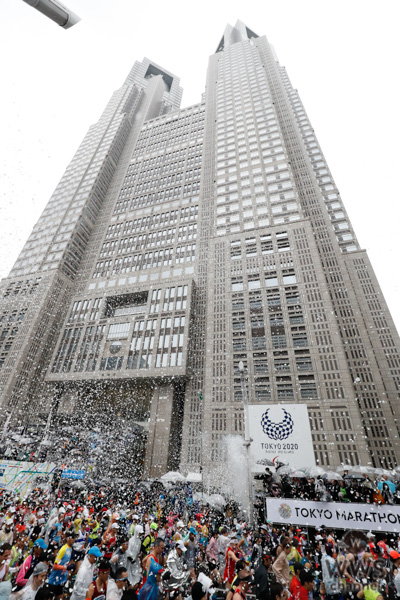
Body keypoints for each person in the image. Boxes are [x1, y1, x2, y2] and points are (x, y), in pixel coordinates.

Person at [47, 531, 77, 600]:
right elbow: (55, 566)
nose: (74, 539)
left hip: (61, 580)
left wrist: (70, 566)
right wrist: (66, 567)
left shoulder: (70, 549)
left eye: (74, 538)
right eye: (72, 538)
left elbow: (64, 562)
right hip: (54, 581)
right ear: (68, 539)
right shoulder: (63, 549)